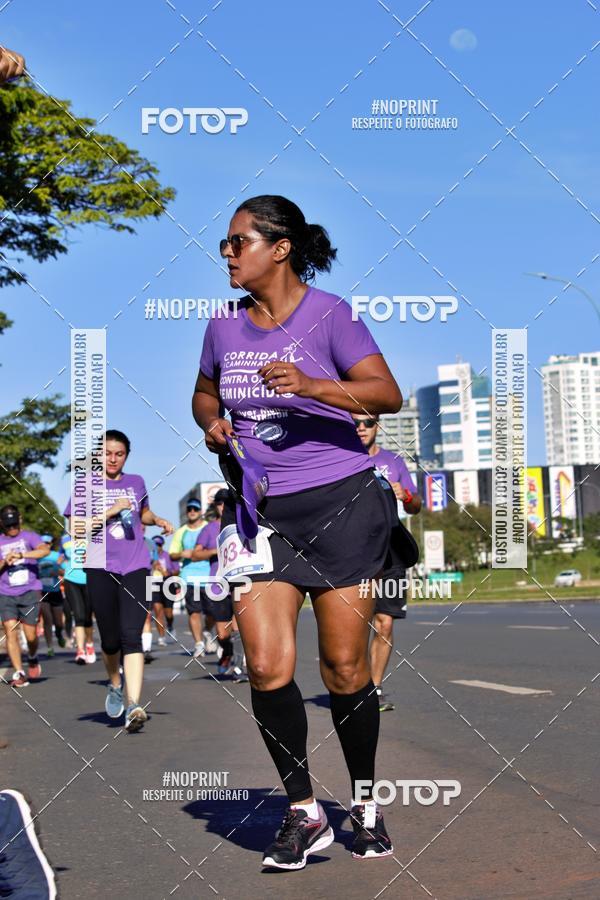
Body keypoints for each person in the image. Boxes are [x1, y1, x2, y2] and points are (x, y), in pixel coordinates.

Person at [193, 194, 402, 869]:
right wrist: (211, 421)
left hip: (340, 505)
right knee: (264, 664)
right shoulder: (224, 326)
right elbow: (204, 388)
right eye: (225, 244)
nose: (227, 254)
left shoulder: (330, 315)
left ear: (279, 247)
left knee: (343, 669)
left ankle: (364, 802)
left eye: (237, 242)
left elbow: (384, 392)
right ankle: (304, 810)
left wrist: (313, 386)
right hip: (260, 512)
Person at [64, 430, 173, 732]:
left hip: (136, 565)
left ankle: (135, 703)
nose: (113, 459)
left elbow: (144, 513)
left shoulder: (136, 482)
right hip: (99, 566)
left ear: (127, 455)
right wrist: (111, 511)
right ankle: (115, 683)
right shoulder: (85, 486)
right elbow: (75, 529)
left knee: (131, 635)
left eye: (119, 453)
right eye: (107, 453)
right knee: (110, 639)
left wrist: (158, 520)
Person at [354, 416, 422, 712]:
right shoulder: (341, 459)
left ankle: (374, 688)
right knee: (355, 623)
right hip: (354, 551)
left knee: (385, 621)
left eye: (367, 422)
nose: (360, 427)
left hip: (391, 548)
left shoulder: (393, 461)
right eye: (354, 422)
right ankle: (352, 686)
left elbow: (415, 505)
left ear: (377, 426)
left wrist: (404, 494)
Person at [190, 490, 247, 680]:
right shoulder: (209, 529)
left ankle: (239, 668)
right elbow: (196, 554)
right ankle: (228, 653)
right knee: (223, 634)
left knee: (238, 628)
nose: (223, 506)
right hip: (217, 586)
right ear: (216, 506)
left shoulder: (242, 523)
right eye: (219, 503)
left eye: (226, 502)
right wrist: (216, 550)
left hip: (240, 583)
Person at [0, 506, 50, 686]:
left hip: (29, 591)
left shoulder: (29, 536)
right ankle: (20, 673)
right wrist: (5, 561)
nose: (12, 528)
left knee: (30, 636)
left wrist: (22, 554)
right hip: (6, 593)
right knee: (10, 630)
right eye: (8, 525)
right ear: (2, 524)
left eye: (14, 524)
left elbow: (44, 550)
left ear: (20, 520)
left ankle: (32, 655)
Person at [168, 498, 217, 658]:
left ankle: (208, 632)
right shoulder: (181, 532)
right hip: (189, 577)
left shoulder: (208, 528)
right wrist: (182, 554)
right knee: (194, 612)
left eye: (195, 509)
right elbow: (172, 554)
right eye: (189, 509)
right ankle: (198, 644)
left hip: (209, 575)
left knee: (212, 613)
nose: (192, 512)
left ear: (200, 511)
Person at [58, 532, 95, 665]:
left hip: (89, 580)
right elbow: (60, 557)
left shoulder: (94, 536)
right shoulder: (64, 539)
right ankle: (80, 651)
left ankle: (89, 644)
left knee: (87, 617)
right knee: (78, 616)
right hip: (71, 580)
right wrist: (63, 567)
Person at [38, 535, 65, 657]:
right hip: (42, 592)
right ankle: (50, 647)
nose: (46, 545)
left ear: (51, 544)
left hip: (55, 591)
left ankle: (59, 634)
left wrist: (58, 571)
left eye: (48, 543)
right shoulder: (36, 557)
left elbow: (65, 571)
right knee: (47, 620)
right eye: (43, 543)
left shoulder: (56, 556)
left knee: (58, 622)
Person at [150, 534, 179, 646]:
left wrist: (168, 572)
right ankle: (161, 637)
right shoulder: (149, 557)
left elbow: (177, 570)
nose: (157, 546)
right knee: (157, 611)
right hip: (153, 583)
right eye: (154, 544)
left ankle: (170, 625)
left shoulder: (168, 556)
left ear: (162, 545)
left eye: (159, 544)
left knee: (169, 613)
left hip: (168, 583)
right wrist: (152, 567)